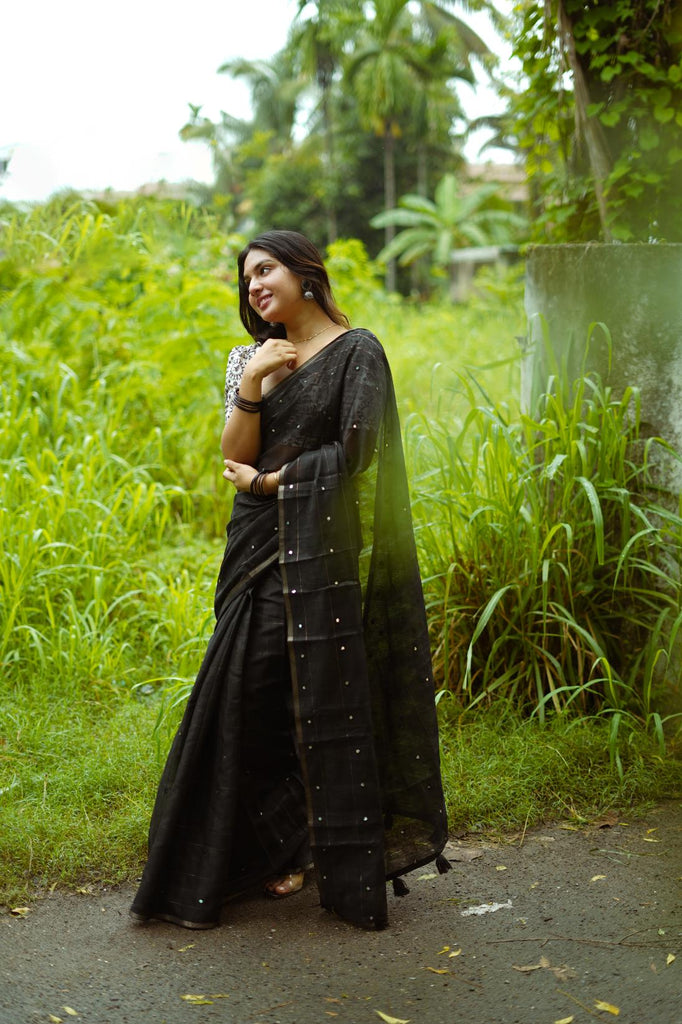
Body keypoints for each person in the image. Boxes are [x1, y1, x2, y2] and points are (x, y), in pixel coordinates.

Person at [130, 230, 448, 932]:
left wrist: (276, 481)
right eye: (246, 279)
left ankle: (312, 845)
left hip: (317, 547)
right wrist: (250, 386)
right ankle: (263, 846)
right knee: (250, 693)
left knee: (310, 694)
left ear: (307, 273)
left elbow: (358, 451)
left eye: (266, 270)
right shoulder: (250, 357)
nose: (254, 286)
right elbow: (232, 454)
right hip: (252, 549)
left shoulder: (356, 351)